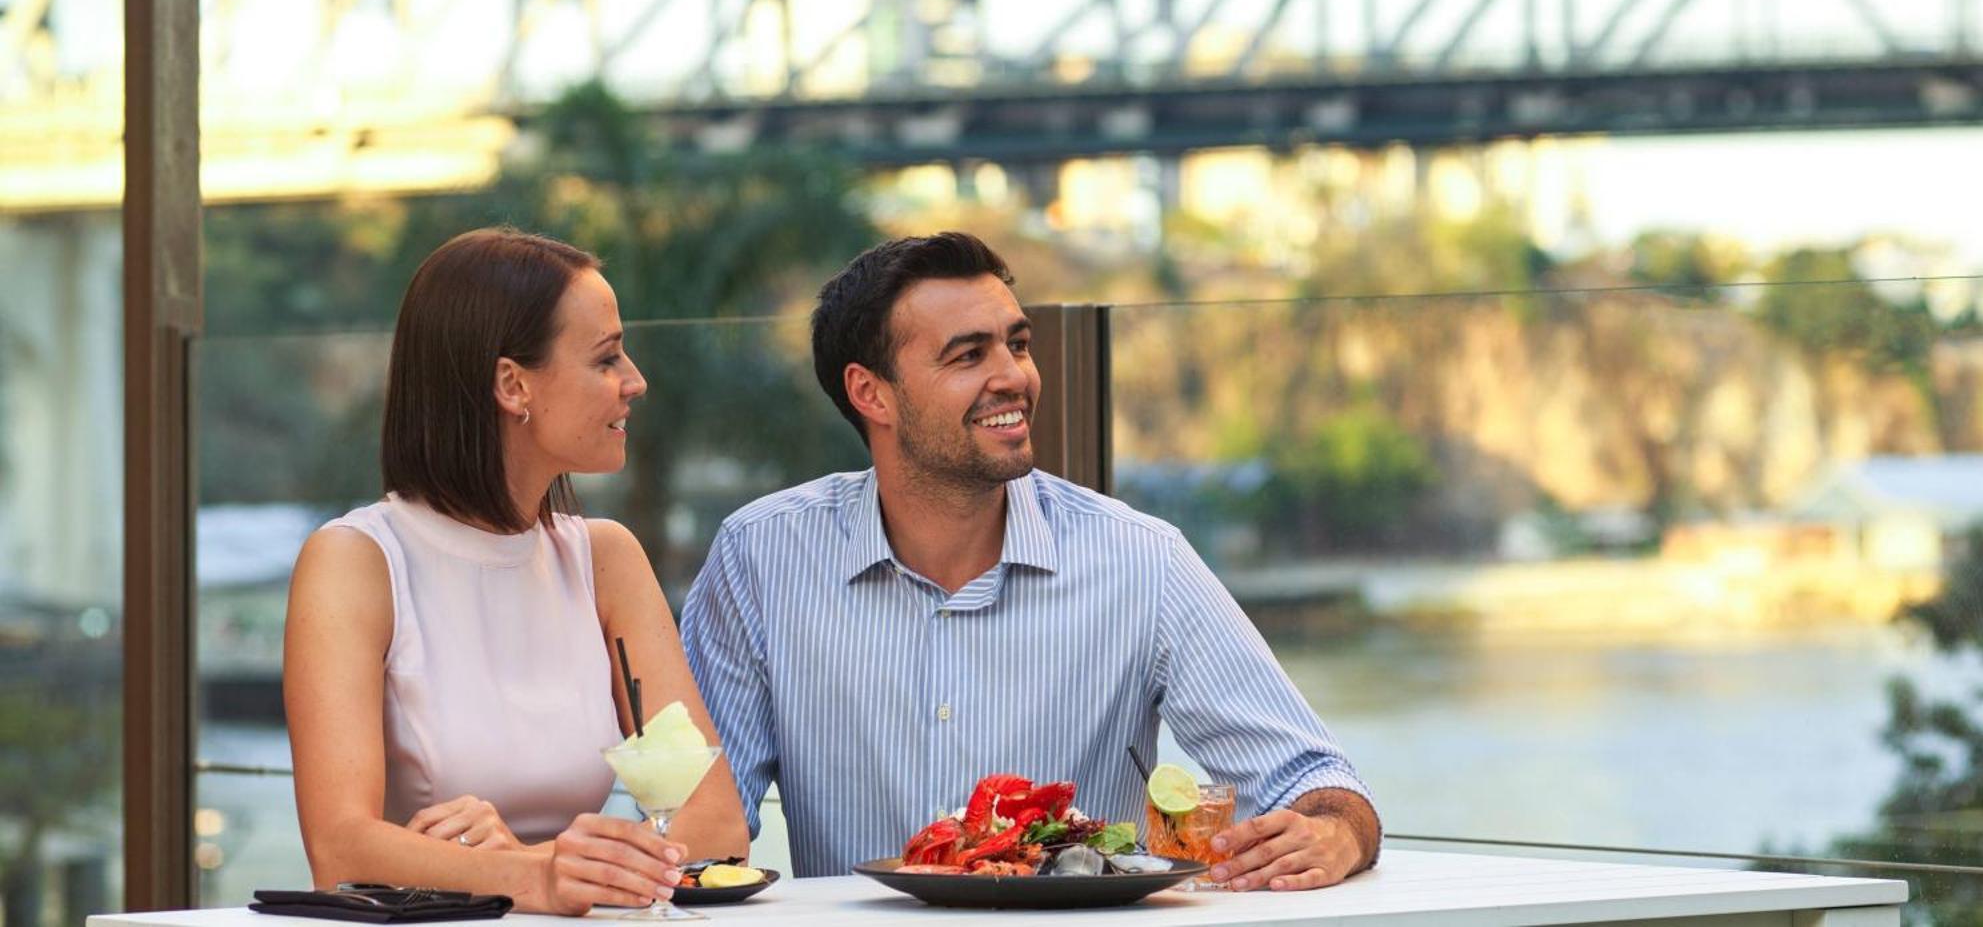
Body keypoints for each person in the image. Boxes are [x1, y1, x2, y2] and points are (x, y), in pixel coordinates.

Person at [682, 231, 1379, 889]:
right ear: (871, 393)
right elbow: (698, 832)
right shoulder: (760, 558)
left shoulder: (1142, 560)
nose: (1013, 375)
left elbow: (1316, 780)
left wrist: (1334, 834)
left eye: (1018, 344)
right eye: (968, 354)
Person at [284, 227, 748, 915]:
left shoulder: (606, 558)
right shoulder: (356, 562)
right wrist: (533, 873)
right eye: (606, 357)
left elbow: (717, 823)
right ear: (512, 383)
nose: (635, 381)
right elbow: (340, 847)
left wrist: (525, 863)